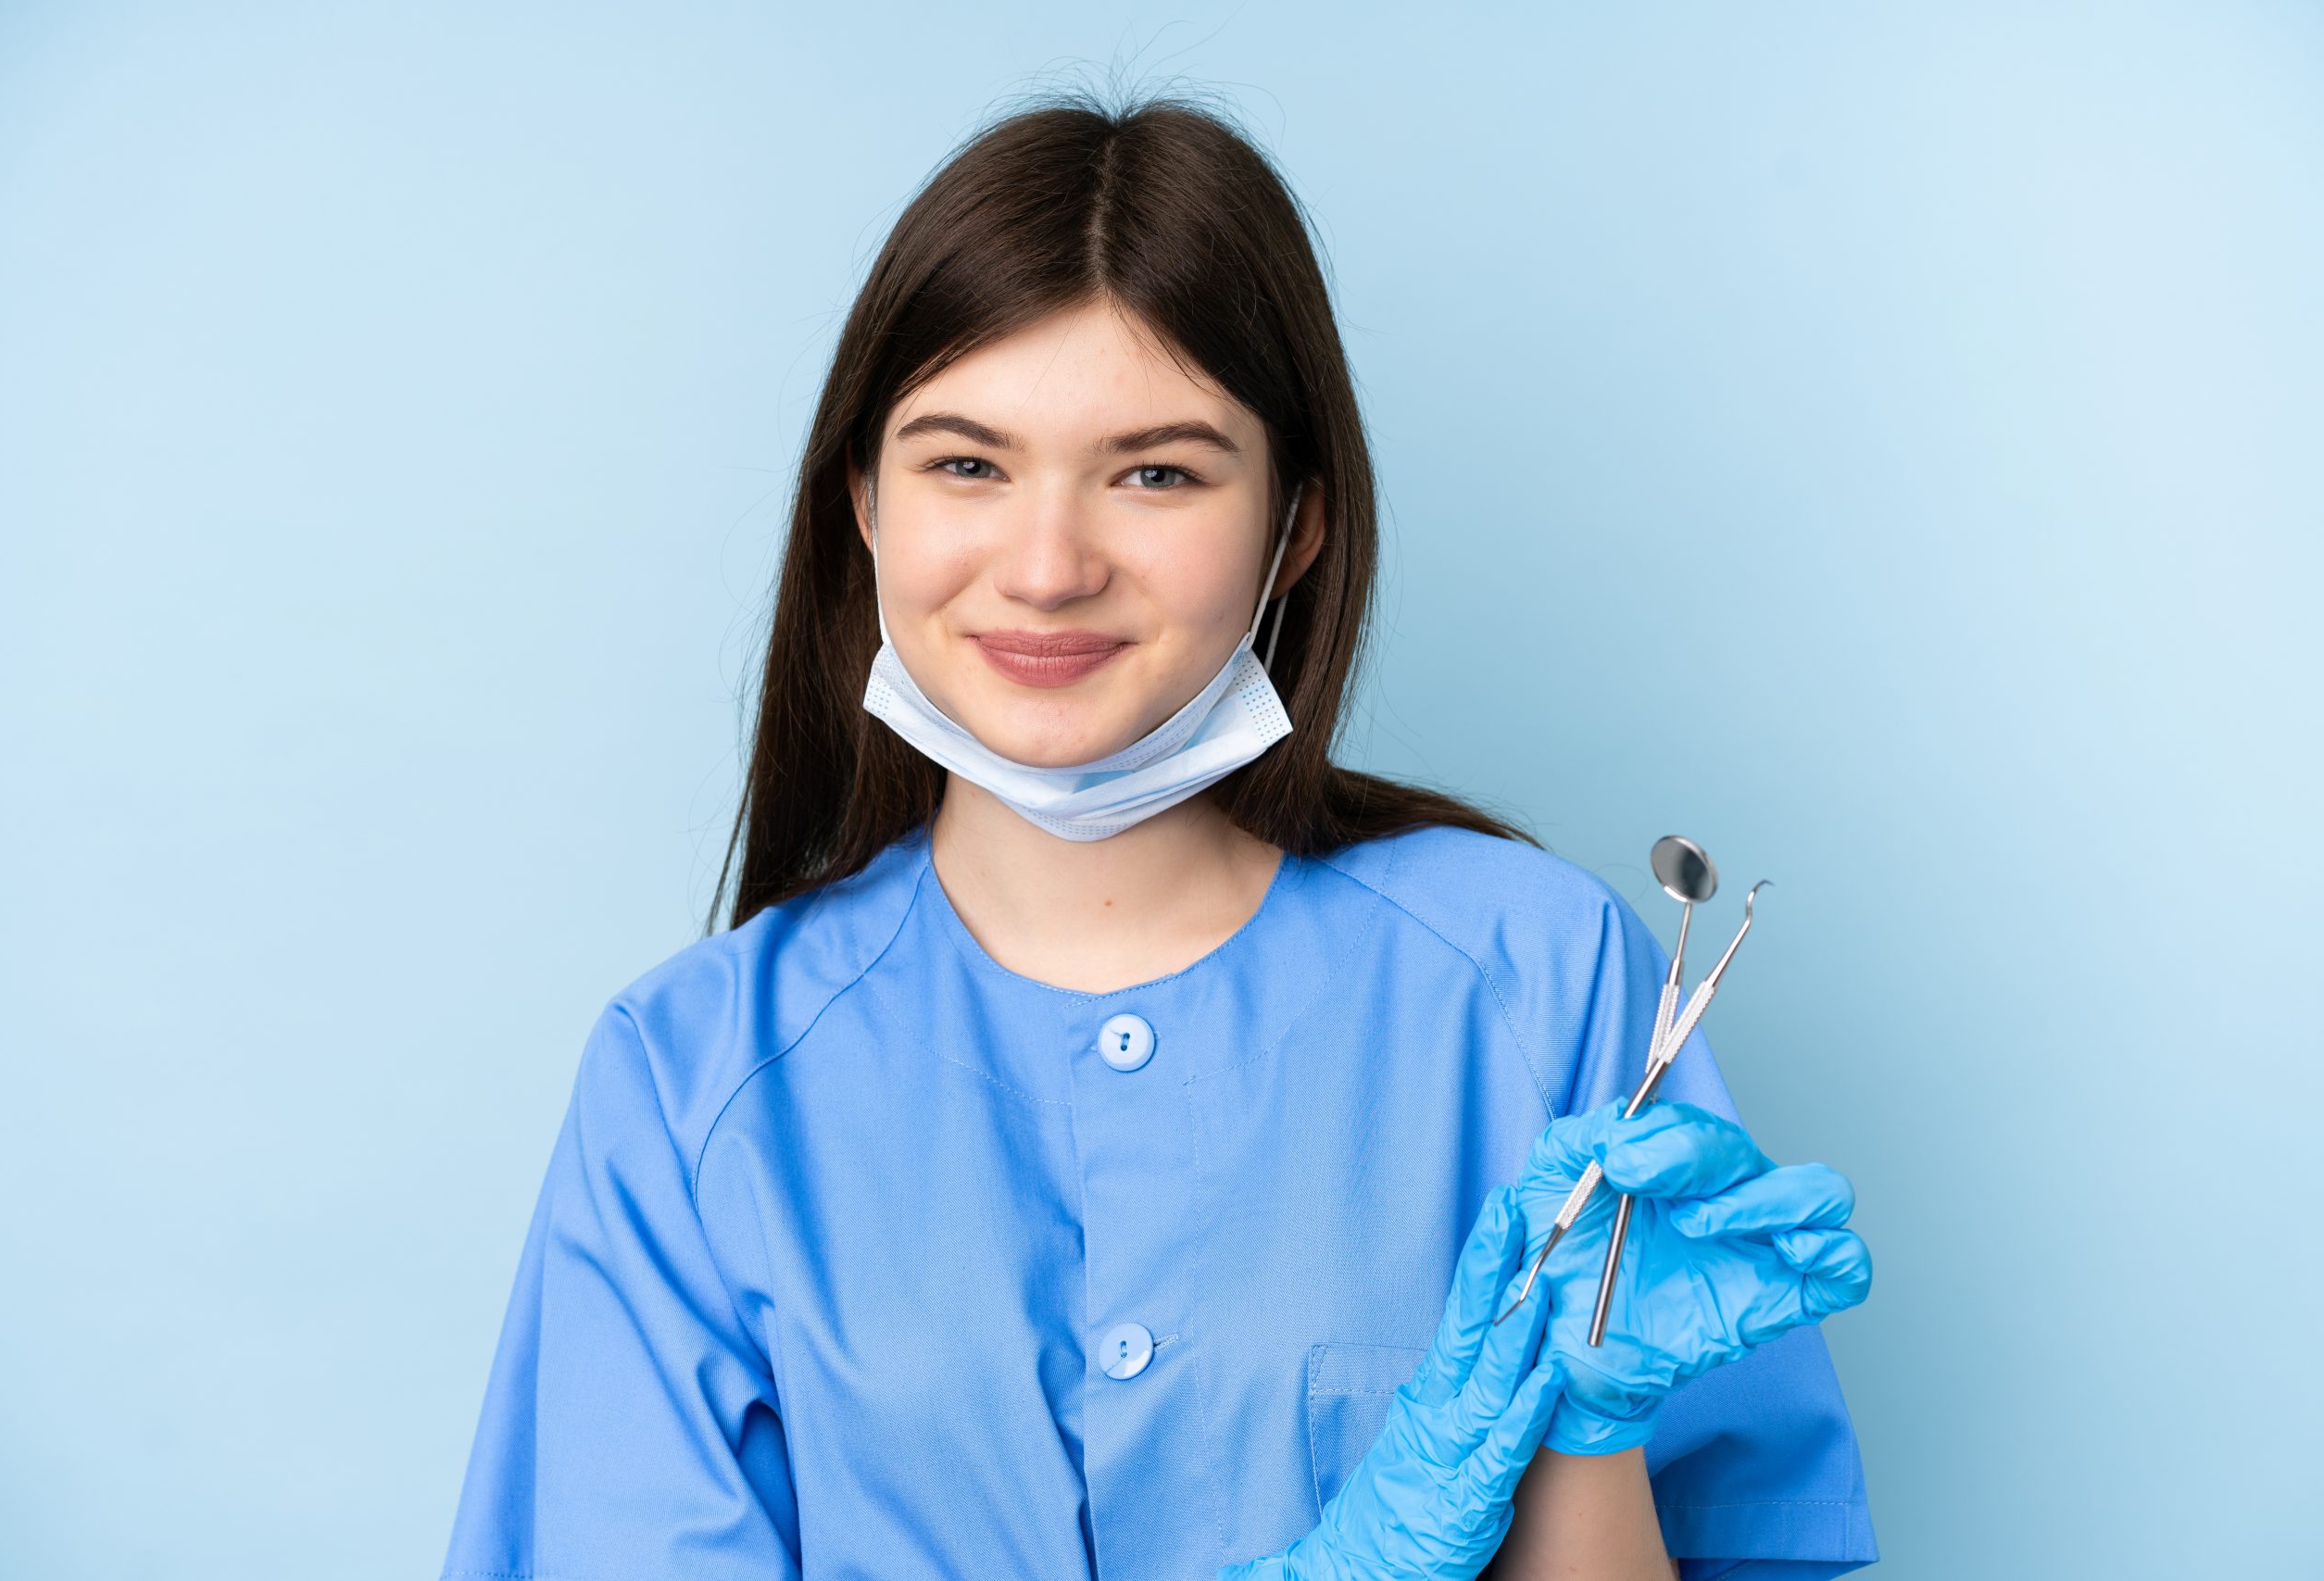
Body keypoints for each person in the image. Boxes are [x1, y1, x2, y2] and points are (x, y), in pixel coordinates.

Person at [438, 92, 1878, 1581]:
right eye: (965, 465)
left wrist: (1580, 1444)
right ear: (862, 505)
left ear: (1297, 526)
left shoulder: (1538, 989)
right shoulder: (690, 1090)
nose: (1049, 567)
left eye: (1158, 474)